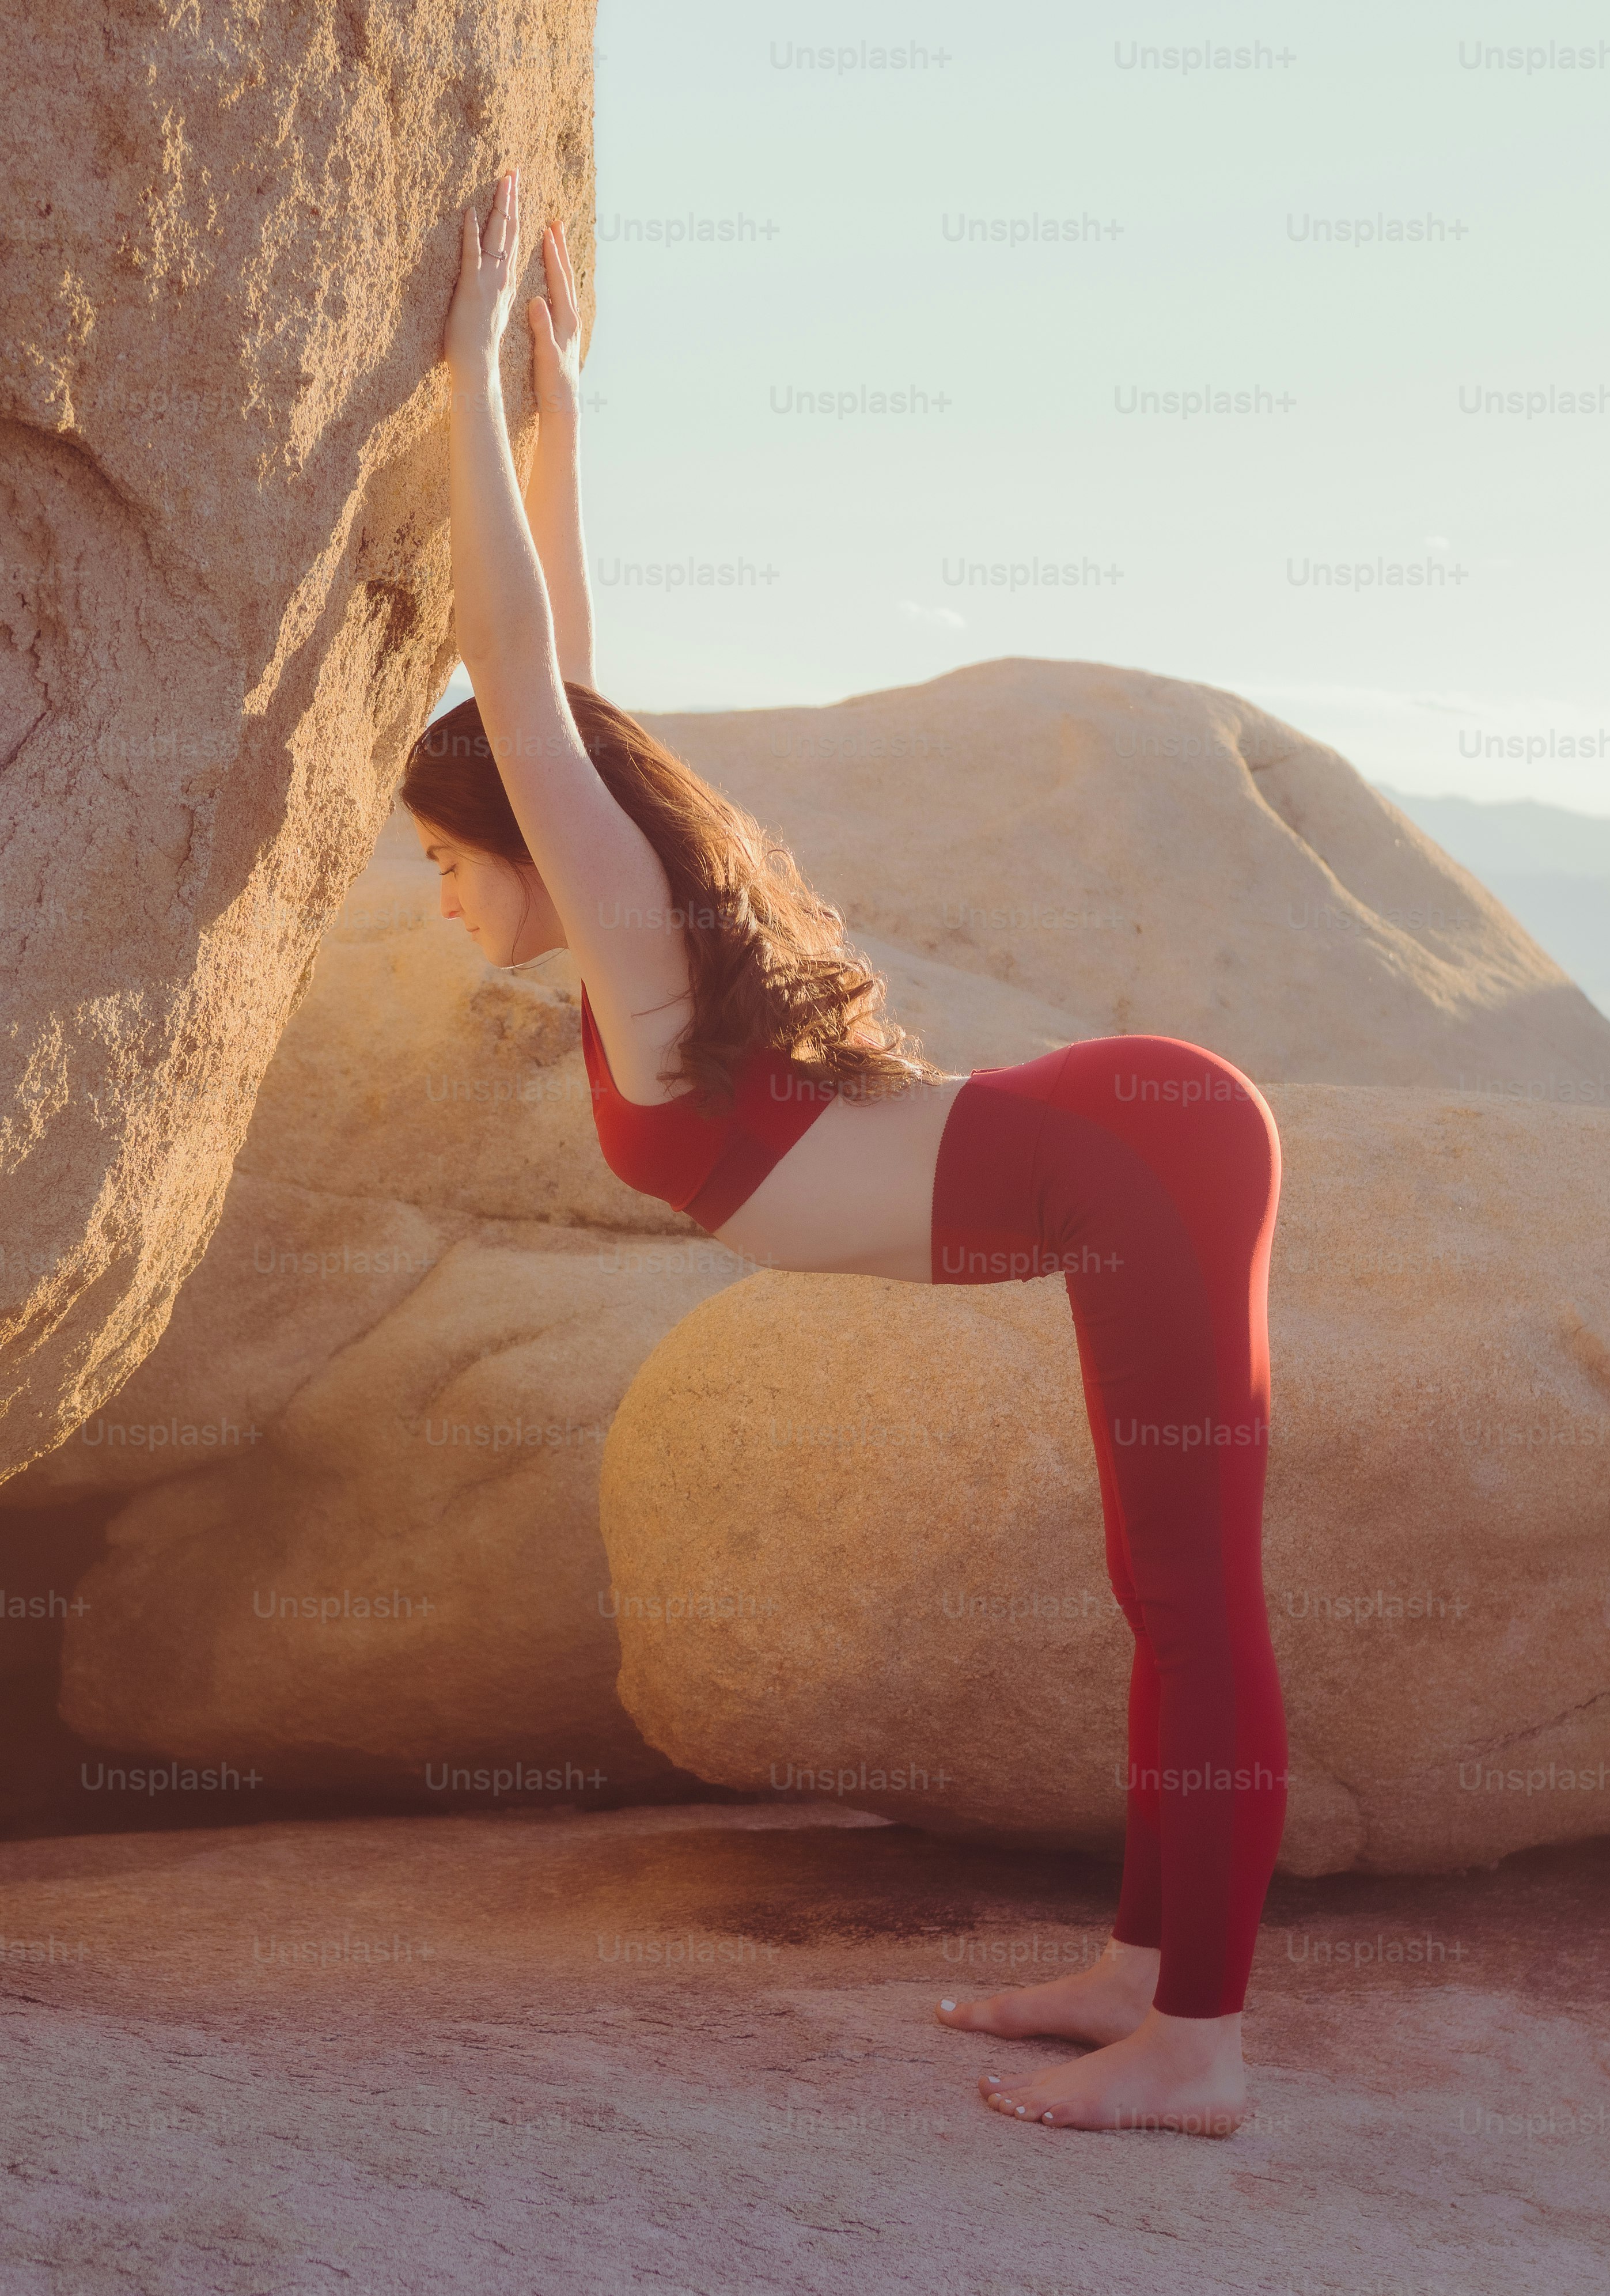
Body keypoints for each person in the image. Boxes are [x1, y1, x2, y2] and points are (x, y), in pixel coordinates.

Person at [404, 171, 1286, 2139]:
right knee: (1168, 1590)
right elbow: (577, 689)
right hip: (1114, 1140)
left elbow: (530, 679)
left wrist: (464, 374)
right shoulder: (627, 929)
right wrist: (562, 405)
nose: (445, 898)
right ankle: (1144, 1976)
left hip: (1146, 1152)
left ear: (535, 843)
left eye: (451, 861)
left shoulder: (627, 942)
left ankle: (1202, 2050)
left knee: (1195, 1595)